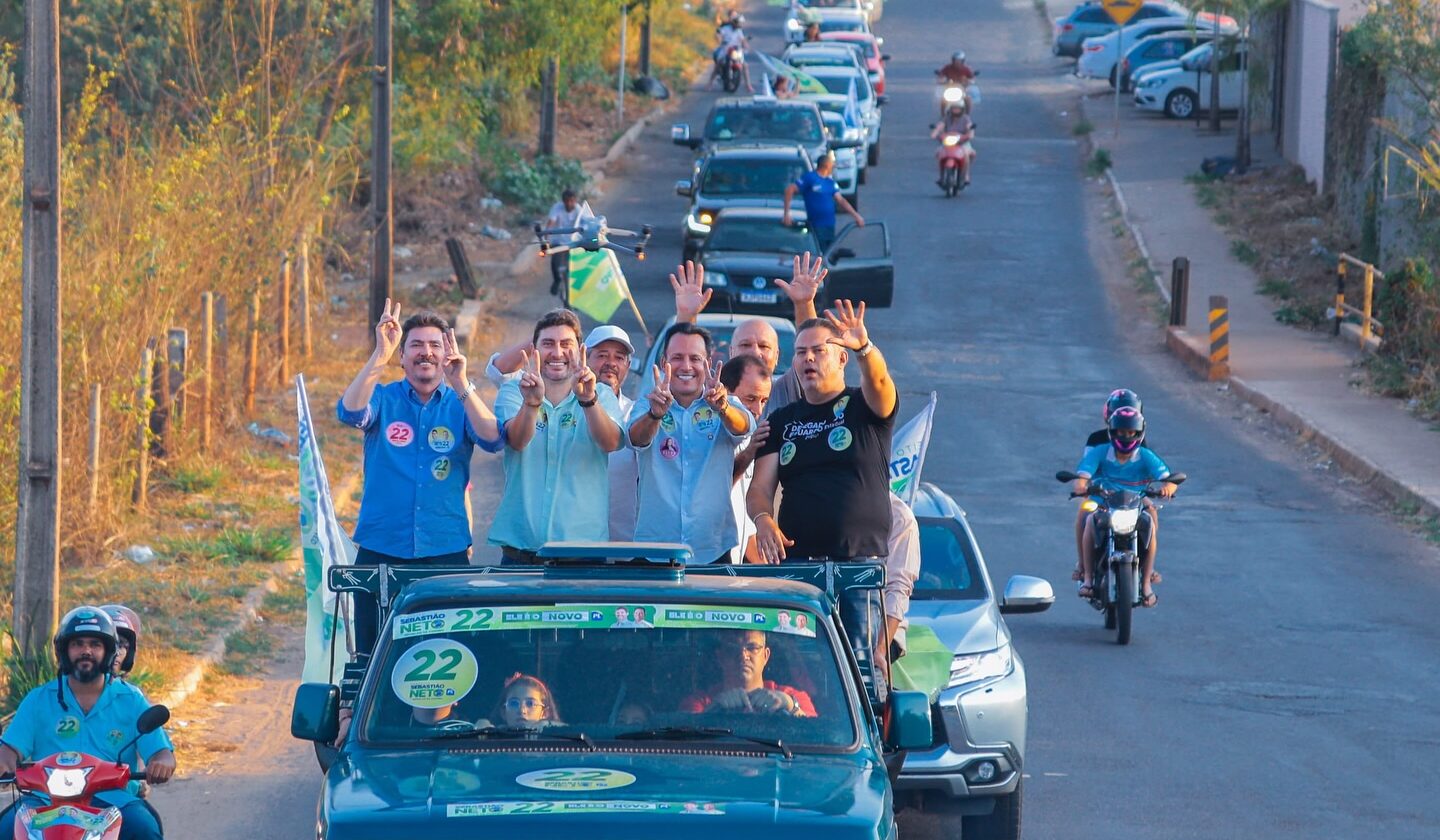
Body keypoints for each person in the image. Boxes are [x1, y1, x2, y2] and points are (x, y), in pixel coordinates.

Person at [339, 302, 502, 653]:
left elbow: (492, 439)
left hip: (445, 549)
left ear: (447, 354)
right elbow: (351, 412)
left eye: (435, 345)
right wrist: (380, 354)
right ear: (403, 356)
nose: (425, 352)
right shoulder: (382, 399)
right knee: (373, 655)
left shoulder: (461, 403)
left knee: (447, 652)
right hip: (381, 547)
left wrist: (462, 383)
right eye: (415, 345)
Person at [0, 607, 175, 840]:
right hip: (43, 801)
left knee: (143, 828)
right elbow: (10, 750)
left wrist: (161, 763)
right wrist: (3, 763)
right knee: (6, 828)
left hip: (113, 801)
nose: (86, 651)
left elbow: (161, 753)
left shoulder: (131, 700)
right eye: (78, 644)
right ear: (64, 651)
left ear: (109, 651)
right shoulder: (38, 699)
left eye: (95, 644)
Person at [746, 301, 897, 563]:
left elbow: (879, 380)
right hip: (797, 562)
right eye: (801, 352)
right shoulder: (781, 420)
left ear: (842, 358)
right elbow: (759, 488)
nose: (809, 358)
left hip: (858, 561)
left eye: (818, 350)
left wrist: (864, 348)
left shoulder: (864, 405)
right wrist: (763, 520)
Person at [489, 309, 625, 562]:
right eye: (548, 344)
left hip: (583, 551)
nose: (558, 353)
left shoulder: (601, 394)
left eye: (566, 344)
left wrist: (588, 400)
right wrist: (530, 404)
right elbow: (517, 441)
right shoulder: (513, 390)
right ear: (534, 350)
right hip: (522, 550)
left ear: (580, 349)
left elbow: (611, 443)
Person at [630, 323, 755, 564]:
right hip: (655, 548)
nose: (686, 367)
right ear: (664, 360)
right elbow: (636, 439)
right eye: (677, 358)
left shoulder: (725, 402)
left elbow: (745, 427)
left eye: (694, 358)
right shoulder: (648, 404)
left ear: (708, 362)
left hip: (711, 548)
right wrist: (655, 415)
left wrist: (723, 408)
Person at [1071, 407, 1176, 607]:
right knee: (1090, 522)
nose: (1126, 437)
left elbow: (1168, 478)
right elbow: (1083, 475)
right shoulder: (1101, 452)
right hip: (1105, 501)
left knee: (1151, 521)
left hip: (1136, 502)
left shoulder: (1145, 455)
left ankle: (1146, 583)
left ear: (1139, 433)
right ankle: (1087, 578)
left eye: (1130, 433)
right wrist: (1081, 486)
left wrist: (1168, 488)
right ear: (1112, 431)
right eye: (1121, 432)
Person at [680, 630, 816, 715]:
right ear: (720, 657)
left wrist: (791, 706)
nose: (743, 655)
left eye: (752, 648)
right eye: (732, 649)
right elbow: (686, 738)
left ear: (765, 656)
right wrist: (713, 711)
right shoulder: (701, 703)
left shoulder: (793, 697)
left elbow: (817, 735)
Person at [722, 354, 773, 563]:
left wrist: (772, 577)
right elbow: (719, 487)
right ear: (724, 393)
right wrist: (749, 453)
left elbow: (745, 522)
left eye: (764, 401)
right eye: (750, 399)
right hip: (709, 564)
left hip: (736, 567)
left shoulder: (752, 438)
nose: (758, 410)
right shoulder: (710, 433)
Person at [783, 154, 863, 254]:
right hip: (816, 225)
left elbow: (841, 201)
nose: (833, 168)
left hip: (829, 225)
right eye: (832, 165)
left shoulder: (830, 182)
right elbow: (789, 190)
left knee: (829, 252)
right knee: (818, 253)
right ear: (826, 165)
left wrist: (856, 216)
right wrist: (787, 213)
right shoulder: (810, 178)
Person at [543, 189, 594, 298]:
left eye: (571, 201)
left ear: (575, 201)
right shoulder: (557, 208)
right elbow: (550, 223)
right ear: (563, 201)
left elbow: (585, 225)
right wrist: (545, 240)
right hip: (558, 241)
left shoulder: (578, 211)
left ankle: (574, 295)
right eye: (567, 201)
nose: (569, 204)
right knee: (555, 263)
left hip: (574, 243)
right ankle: (557, 280)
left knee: (577, 268)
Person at [931, 100, 977, 188]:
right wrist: (935, 132)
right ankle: (941, 176)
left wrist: (970, 133)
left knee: (967, 154)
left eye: (958, 108)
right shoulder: (946, 118)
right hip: (948, 142)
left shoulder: (965, 118)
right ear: (950, 109)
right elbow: (940, 126)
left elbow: (969, 127)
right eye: (954, 108)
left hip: (962, 142)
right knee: (938, 153)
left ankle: (966, 175)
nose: (956, 110)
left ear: (962, 109)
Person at [492, 673, 562, 728]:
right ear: (503, 712)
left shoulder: (558, 744)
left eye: (530, 704)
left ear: (544, 713)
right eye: (513, 703)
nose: (522, 711)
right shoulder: (491, 742)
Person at [710, 11, 754, 92]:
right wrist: (719, 39)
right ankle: (710, 83)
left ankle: (748, 85)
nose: (739, 25)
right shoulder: (726, 28)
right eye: (737, 23)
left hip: (736, 50)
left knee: (745, 65)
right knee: (719, 63)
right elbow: (719, 34)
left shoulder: (739, 31)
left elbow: (742, 40)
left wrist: (746, 45)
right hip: (726, 49)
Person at [101, 604, 142, 679]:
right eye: (109, 646)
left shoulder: (130, 691)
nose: (116, 652)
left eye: (120, 646)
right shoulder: (74, 687)